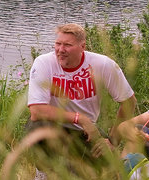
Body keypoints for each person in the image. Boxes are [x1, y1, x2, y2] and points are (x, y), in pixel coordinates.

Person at [26, 23, 137, 161]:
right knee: (36, 125)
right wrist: (80, 118)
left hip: (85, 132)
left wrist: (113, 141)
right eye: (58, 44)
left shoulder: (103, 65)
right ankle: (44, 171)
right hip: (54, 125)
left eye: (67, 45)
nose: (61, 50)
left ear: (82, 47)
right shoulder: (43, 62)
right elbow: (37, 111)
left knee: (105, 166)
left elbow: (129, 102)